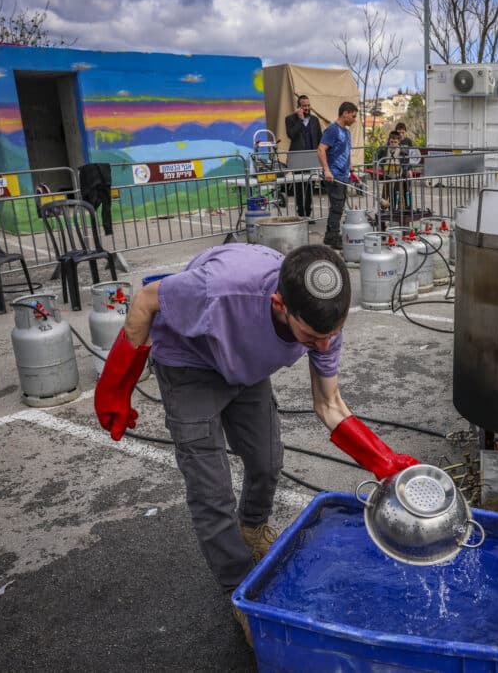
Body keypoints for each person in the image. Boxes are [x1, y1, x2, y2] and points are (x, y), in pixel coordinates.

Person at [93, 243, 419, 642]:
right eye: (312, 337)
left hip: (244, 368)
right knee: (210, 490)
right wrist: (117, 386)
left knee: (267, 460)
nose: (322, 346)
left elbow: (329, 404)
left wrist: (383, 461)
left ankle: (252, 527)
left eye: (331, 335)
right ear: (279, 304)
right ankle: (241, 591)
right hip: (189, 363)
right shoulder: (218, 289)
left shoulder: (323, 325)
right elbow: (146, 299)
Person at [317, 102, 358, 249]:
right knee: (336, 208)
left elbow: (344, 152)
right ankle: (333, 237)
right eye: (353, 116)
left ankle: (330, 235)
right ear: (345, 113)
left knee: (338, 207)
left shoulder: (346, 132)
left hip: (343, 174)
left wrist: (351, 168)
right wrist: (327, 170)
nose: (354, 119)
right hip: (333, 175)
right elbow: (321, 150)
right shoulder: (332, 130)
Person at [284, 94, 323, 218]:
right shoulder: (290, 119)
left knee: (310, 187)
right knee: (299, 188)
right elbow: (291, 135)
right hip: (298, 158)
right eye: (304, 106)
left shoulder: (315, 120)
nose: (306, 108)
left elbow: (319, 138)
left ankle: (308, 213)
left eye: (308, 105)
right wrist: (300, 120)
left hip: (311, 157)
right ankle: (301, 214)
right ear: (298, 107)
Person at [377, 131, 406, 211]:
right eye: (391, 141)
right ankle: (383, 210)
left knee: (400, 193)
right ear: (389, 140)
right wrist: (382, 166)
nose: (393, 143)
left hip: (398, 175)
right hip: (387, 174)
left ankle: (401, 210)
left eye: (395, 142)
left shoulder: (402, 150)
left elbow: (406, 160)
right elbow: (378, 157)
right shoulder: (384, 149)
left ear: (399, 141)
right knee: (385, 194)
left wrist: (405, 170)